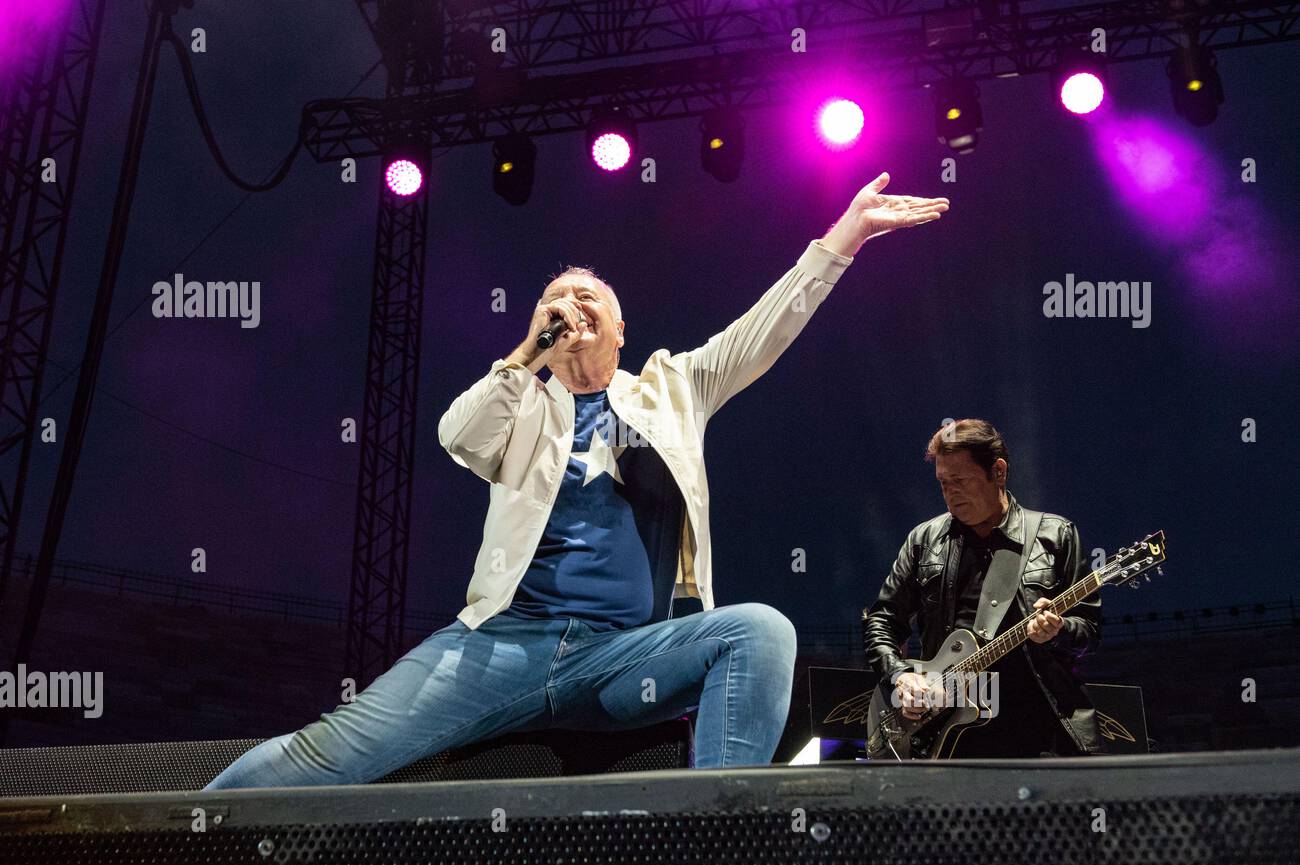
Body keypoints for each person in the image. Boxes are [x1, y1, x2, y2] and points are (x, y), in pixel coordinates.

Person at [204, 173, 949, 788]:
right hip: (500, 646)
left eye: (588, 298)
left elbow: (765, 330)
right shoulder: (521, 397)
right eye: (553, 302)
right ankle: (161, 836)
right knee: (326, 754)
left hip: (623, 658)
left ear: (622, 330)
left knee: (761, 631)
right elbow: (457, 439)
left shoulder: (672, 387)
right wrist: (528, 353)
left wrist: (842, 240)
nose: (569, 307)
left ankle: (719, 830)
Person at [861, 419, 1104, 757]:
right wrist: (900, 677)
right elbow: (881, 620)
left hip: (1039, 736)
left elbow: (1089, 630)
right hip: (946, 738)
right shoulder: (923, 541)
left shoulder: (1054, 535)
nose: (950, 494)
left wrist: (1058, 630)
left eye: (960, 481)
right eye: (943, 483)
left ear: (998, 472)